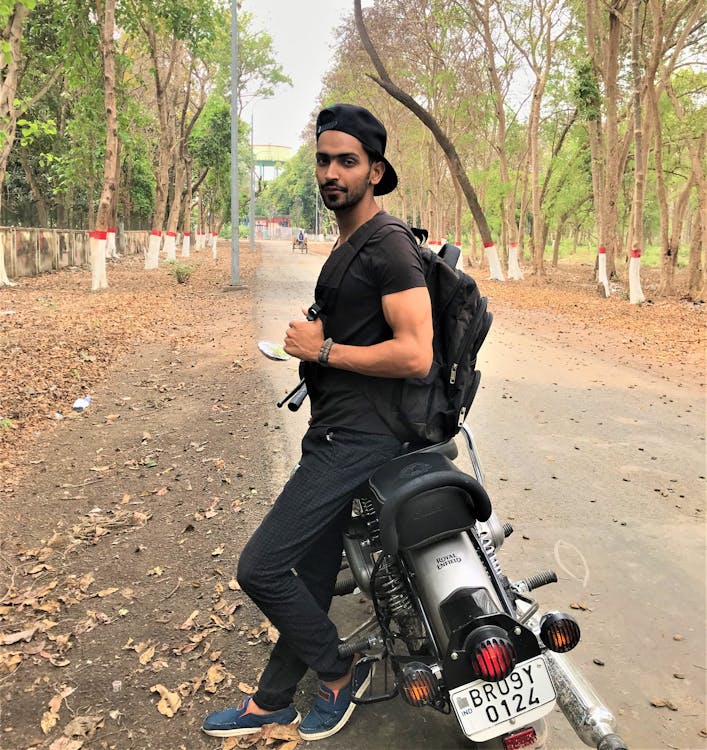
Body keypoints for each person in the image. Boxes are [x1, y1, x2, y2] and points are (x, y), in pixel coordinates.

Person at [202, 103, 433, 741]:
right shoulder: (348, 245)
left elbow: (417, 353)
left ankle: (337, 672)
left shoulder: (390, 249)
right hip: (333, 431)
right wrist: (318, 337)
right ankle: (272, 699)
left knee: (261, 567)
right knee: (306, 571)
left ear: (376, 171)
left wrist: (323, 351)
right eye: (324, 160)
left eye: (347, 161)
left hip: (360, 441)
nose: (331, 172)